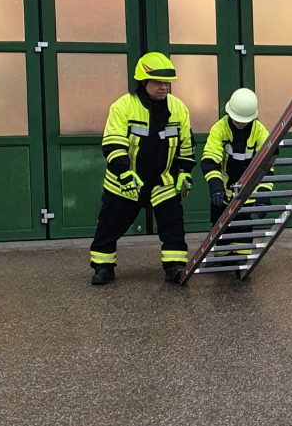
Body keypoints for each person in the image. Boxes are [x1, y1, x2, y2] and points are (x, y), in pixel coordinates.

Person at [88, 52, 196, 286]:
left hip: (163, 182)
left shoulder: (179, 109)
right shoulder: (123, 107)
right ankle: (103, 267)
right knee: (109, 226)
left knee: (173, 226)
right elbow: (113, 143)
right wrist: (124, 173)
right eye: (157, 82)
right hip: (126, 183)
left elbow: (186, 145)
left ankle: (174, 267)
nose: (163, 88)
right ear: (143, 82)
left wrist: (184, 173)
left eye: (166, 83)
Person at [200, 88, 274, 229]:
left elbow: (266, 167)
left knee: (242, 246)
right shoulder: (219, 129)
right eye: (237, 119)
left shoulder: (260, 132)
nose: (240, 123)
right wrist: (215, 185)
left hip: (247, 196)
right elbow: (210, 159)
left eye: (243, 120)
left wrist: (263, 193)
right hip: (222, 194)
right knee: (220, 244)